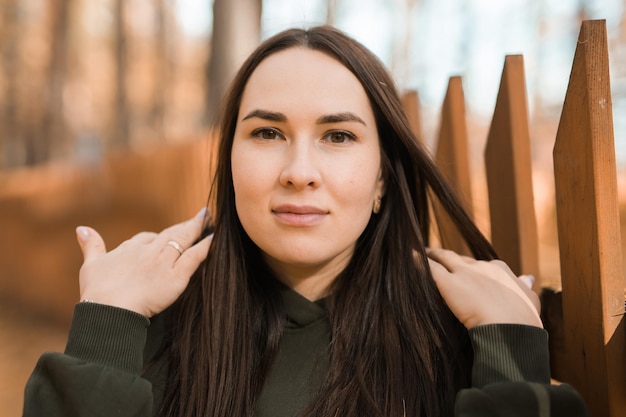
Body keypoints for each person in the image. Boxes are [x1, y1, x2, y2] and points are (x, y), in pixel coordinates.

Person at [23, 26, 589, 417]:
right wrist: (107, 324)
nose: (298, 172)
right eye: (267, 133)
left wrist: (513, 356)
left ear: (382, 181)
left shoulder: (454, 342)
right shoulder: (152, 331)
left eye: (338, 136)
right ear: (230, 165)